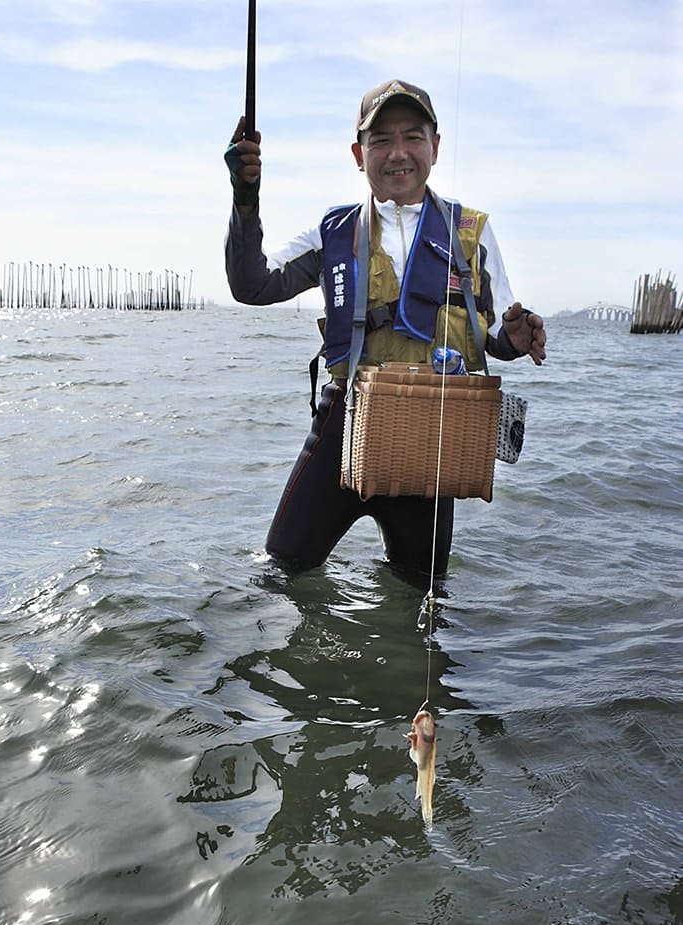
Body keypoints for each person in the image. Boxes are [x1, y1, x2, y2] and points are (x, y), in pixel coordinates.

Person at [224, 78, 546, 583]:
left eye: (413, 137)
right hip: (344, 425)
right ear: (359, 153)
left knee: (421, 596)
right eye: (381, 140)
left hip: (433, 437)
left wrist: (518, 336)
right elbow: (252, 284)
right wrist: (246, 199)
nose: (398, 153)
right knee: (280, 572)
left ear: (435, 147)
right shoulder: (332, 233)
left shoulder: (473, 234)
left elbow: (498, 338)